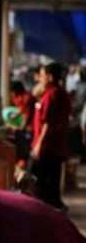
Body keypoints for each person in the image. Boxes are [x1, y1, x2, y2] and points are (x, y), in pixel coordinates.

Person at [31, 62, 71, 210]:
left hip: (48, 147)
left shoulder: (52, 95)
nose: (39, 78)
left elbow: (47, 123)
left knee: (44, 185)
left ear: (50, 77)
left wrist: (38, 145)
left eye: (42, 76)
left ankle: (49, 214)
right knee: (51, 184)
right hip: (55, 146)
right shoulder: (57, 93)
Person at [10, 81, 34, 160]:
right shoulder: (23, 97)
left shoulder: (27, 98)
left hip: (29, 130)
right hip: (26, 128)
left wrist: (18, 128)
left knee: (25, 153)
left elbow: (27, 116)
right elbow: (21, 110)